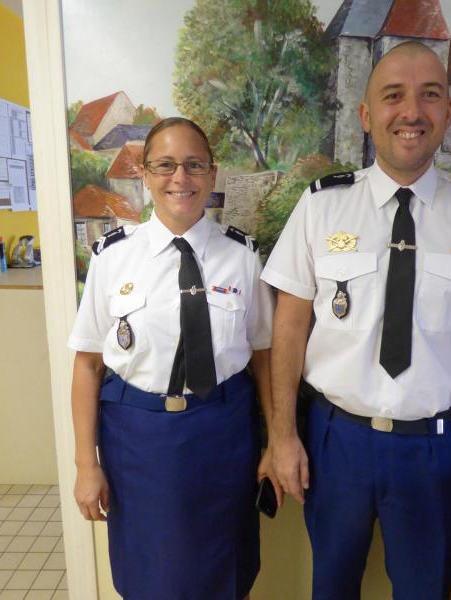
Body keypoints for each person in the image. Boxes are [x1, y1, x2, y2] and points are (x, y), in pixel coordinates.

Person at [261, 42, 451, 599]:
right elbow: (288, 330)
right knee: (332, 587)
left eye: (429, 95)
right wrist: (282, 436)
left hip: (434, 452)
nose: (411, 111)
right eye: (393, 96)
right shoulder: (322, 206)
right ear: (367, 116)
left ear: (447, 114)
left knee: (425, 591)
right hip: (333, 443)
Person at [68, 117, 275, 600]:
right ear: (144, 173)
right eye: (164, 165)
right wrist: (85, 464)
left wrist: (274, 442)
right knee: (149, 577)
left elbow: (263, 358)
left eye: (193, 165)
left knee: (226, 572)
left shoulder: (242, 257)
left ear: (211, 173)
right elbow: (87, 365)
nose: (179, 179)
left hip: (224, 436)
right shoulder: (112, 257)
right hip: (137, 441)